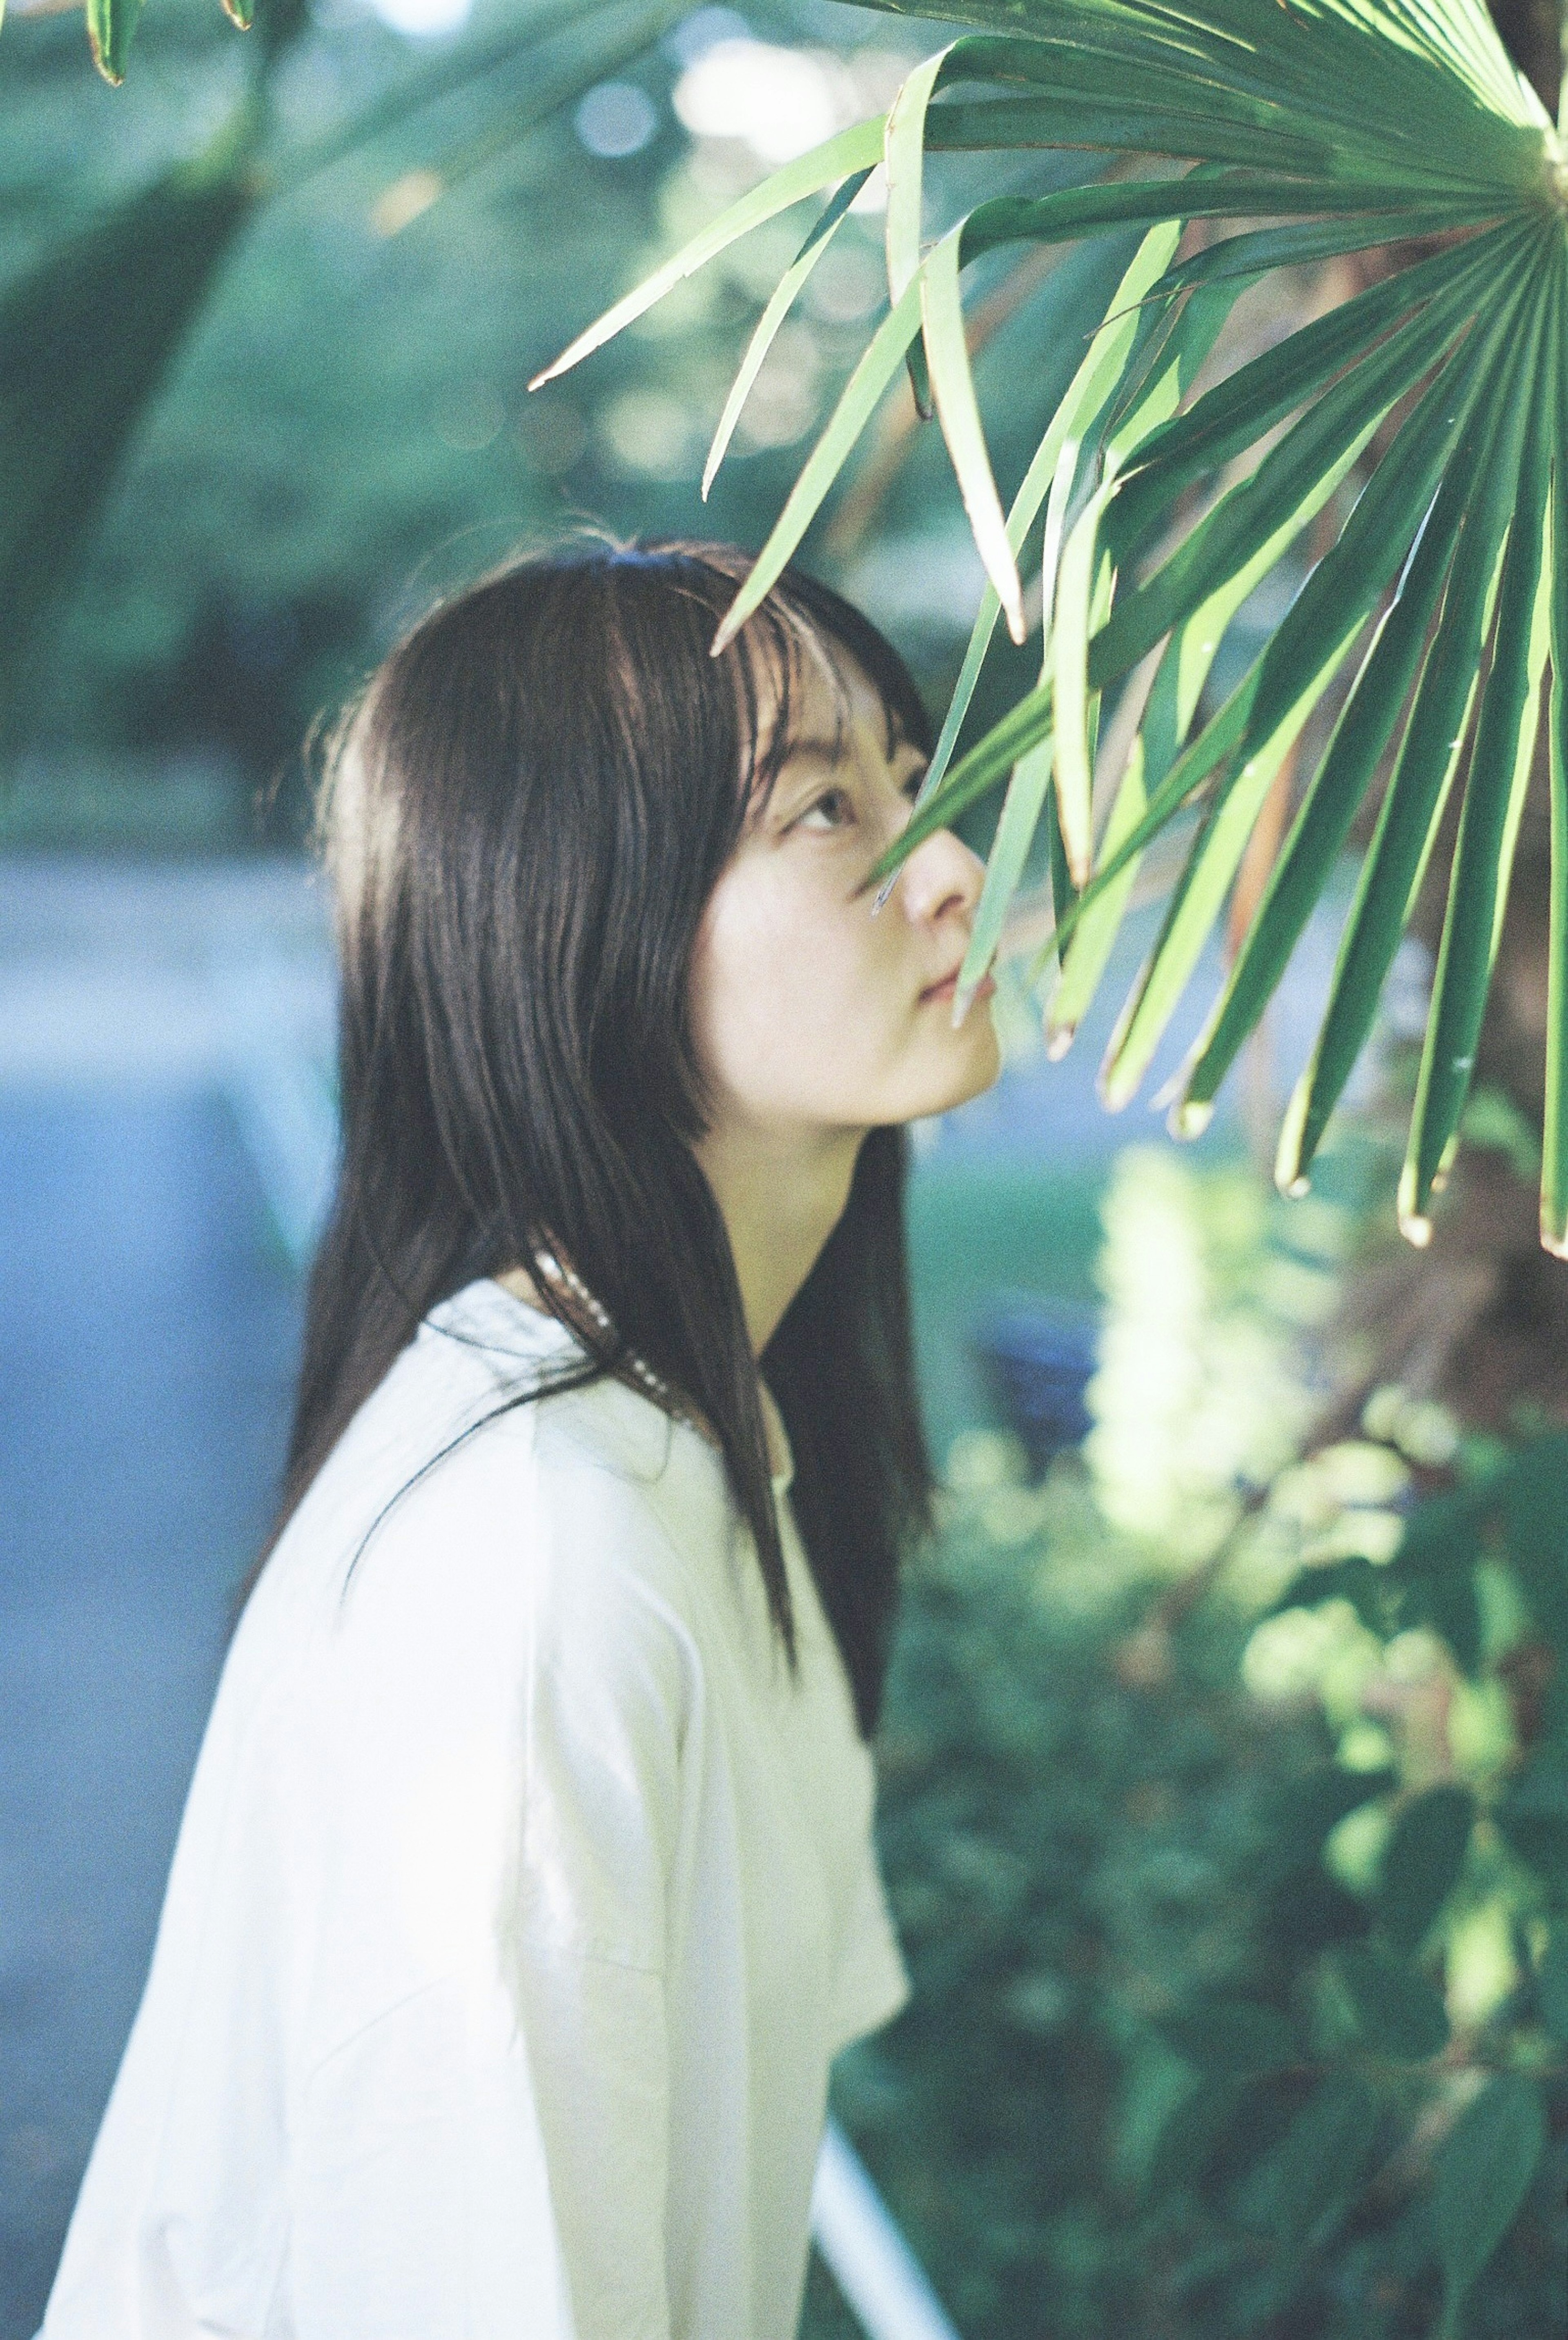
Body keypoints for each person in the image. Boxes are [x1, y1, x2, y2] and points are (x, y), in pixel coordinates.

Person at [35, 537, 1002, 2340]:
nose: (953, 867)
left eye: (917, 779)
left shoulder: (699, 1439)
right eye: (824, 812)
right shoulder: (533, 1561)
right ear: (575, 913)